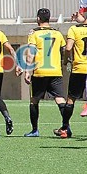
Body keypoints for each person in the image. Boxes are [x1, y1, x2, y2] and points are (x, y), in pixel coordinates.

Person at [22, 8, 67, 137]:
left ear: (38, 19)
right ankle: (66, 128)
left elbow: (31, 53)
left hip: (40, 71)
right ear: (49, 18)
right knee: (59, 99)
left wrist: (27, 71)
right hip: (55, 71)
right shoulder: (57, 33)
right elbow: (63, 50)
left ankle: (35, 130)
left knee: (34, 100)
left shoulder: (34, 33)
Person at [57, 13, 87, 138]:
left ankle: (65, 128)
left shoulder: (74, 29)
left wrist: (66, 60)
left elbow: (68, 48)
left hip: (79, 68)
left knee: (71, 99)